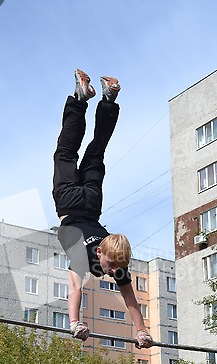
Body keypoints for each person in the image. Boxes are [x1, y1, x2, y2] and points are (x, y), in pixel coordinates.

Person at [52, 69, 153, 349]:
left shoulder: (115, 257)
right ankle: (80, 99)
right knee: (66, 153)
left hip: (92, 201)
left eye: (116, 268)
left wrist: (142, 331)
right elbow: (75, 287)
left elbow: (129, 298)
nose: (112, 272)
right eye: (111, 267)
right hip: (71, 203)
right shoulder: (83, 254)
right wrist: (75, 322)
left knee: (97, 149)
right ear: (100, 252)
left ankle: (108, 99)